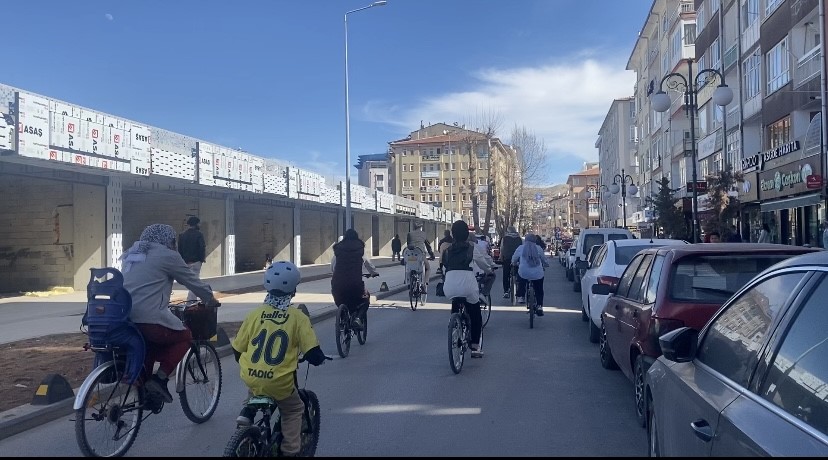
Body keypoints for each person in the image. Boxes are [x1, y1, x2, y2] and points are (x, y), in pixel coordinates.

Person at [231, 260, 328, 457]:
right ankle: (290, 450)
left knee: (257, 383)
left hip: (251, 376)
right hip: (280, 382)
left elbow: (237, 350)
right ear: (293, 290)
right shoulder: (297, 317)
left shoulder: (255, 314)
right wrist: (319, 358)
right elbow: (312, 353)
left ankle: (247, 413)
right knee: (293, 410)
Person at [120, 223, 220, 404]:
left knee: (149, 344)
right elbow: (192, 281)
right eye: (173, 241)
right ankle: (160, 379)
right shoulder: (167, 255)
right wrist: (209, 299)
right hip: (148, 318)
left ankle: (142, 390)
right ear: (167, 240)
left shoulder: (131, 254)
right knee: (186, 335)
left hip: (124, 318)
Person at [441, 220, 494, 358]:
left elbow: (443, 268)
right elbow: (482, 263)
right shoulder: (471, 248)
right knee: (475, 313)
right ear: (466, 234)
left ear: (453, 234)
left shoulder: (447, 251)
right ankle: (475, 347)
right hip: (467, 285)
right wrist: (489, 271)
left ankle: (454, 326)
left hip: (450, 286)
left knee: (455, 300)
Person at [331, 229, 378, 330]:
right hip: (355, 284)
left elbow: (333, 266)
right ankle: (357, 318)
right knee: (365, 299)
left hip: (337, 284)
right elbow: (368, 263)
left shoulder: (338, 249)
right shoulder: (360, 248)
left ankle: (343, 318)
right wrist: (373, 273)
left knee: (340, 300)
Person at [511, 232, 549, 316]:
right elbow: (544, 260)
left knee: (521, 278)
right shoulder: (538, 248)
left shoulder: (521, 248)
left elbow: (514, 259)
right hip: (537, 274)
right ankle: (539, 305)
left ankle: (521, 296)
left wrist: (514, 263)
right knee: (539, 288)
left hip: (524, 273)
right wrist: (546, 265)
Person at [178, 216, 207, 302]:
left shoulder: (182, 235)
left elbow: (179, 249)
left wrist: (182, 260)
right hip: (196, 261)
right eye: (199, 223)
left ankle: (192, 299)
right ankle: (191, 300)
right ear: (196, 224)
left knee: (191, 280)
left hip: (186, 261)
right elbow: (201, 247)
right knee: (195, 281)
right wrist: (202, 259)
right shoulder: (199, 234)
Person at [406, 221, 434, 292]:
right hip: (420, 256)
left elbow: (408, 245)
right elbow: (428, 246)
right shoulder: (423, 234)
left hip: (411, 257)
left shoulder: (409, 234)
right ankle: (425, 284)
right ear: (421, 227)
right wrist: (432, 255)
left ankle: (409, 282)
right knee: (428, 268)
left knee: (409, 267)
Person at [499, 226, 523, 299]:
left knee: (505, 274)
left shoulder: (505, 238)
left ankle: (506, 291)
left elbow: (502, 248)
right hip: (517, 259)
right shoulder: (519, 238)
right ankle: (520, 288)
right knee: (519, 274)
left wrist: (501, 257)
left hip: (507, 258)